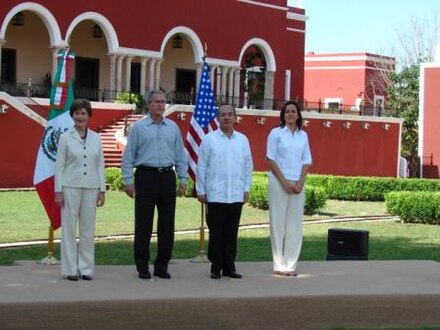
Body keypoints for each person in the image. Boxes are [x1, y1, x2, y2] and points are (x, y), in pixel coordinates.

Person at [122, 89, 187, 280]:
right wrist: (128, 181)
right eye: (156, 101)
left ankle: (162, 266)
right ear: (149, 104)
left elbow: (180, 156)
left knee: (167, 225)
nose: (160, 104)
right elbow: (128, 158)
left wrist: (182, 179)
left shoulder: (173, 128)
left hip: (167, 177)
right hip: (146, 177)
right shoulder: (138, 128)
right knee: (144, 224)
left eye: (163, 101)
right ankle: (142, 266)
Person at [196, 104, 253, 280]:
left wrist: (246, 189)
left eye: (229, 114)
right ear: (218, 118)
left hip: (235, 194)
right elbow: (201, 166)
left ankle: (229, 267)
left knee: (231, 233)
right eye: (223, 115)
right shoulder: (209, 139)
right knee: (217, 233)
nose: (226, 117)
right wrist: (201, 190)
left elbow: (247, 166)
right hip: (216, 194)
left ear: (235, 117)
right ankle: (216, 267)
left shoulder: (242, 140)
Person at [55, 99, 106, 281]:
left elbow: (100, 165)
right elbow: (59, 166)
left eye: (83, 113)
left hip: (91, 187)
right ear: (72, 115)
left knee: (87, 230)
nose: (80, 117)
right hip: (69, 187)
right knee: (68, 228)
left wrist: (102, 189)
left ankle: (86, 268)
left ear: (89, 116)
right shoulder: (65, 137)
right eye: (77, 113)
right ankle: (70, 269)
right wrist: (58, 191)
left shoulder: (96, 138)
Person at [266, 101, 312, 277]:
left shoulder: (303, 136)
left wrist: (300, 182)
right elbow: (270, 159)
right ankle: (279, 264)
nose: (291, 114)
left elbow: (306, 160)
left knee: (295, 225)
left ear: (299, 115)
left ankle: (291, 263)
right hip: (279, 182)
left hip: (298, 184)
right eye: (287, 111)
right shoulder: (276, 133)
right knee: (278, 223)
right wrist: (285, 182)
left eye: (294, 111)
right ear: (283, 115)